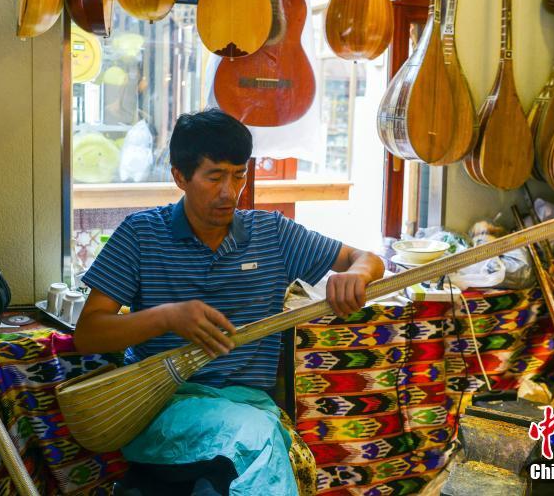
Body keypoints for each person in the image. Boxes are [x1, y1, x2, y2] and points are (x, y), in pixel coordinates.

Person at [73, 109, 385, 496]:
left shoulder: (272, 233)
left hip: (250, 407)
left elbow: (367, 258)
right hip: (163, 407)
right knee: (259, 439)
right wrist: (169, 317)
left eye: (239, 175)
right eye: (215, 177)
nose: (229, 191)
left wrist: (356, 276)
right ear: (180, 177)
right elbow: (87, 334)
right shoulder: (140, 235)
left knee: (243, 450)